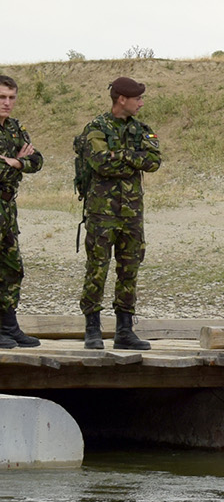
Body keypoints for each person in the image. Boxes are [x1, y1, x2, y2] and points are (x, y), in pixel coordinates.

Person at [77, 76, 162, 351]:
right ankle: (92, 329)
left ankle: (124, 330)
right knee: (97, 269)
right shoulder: (96, 128)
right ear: (121, 99)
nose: (141, 103)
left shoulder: (141, 129)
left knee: (129, 270)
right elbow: (100, 163)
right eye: (138, 98)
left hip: (132, 213)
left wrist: (120, 155)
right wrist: (133, 158)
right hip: (102, 213)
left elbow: (154, 161)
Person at [0, 75, 44, 349]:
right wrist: (18, 161)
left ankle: (8, 326)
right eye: (2, 97)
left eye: (11, 97)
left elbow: (37, 160)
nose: (7, 103)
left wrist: (16, 162)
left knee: (12, 268)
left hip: (7, 209)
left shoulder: (15, 129)